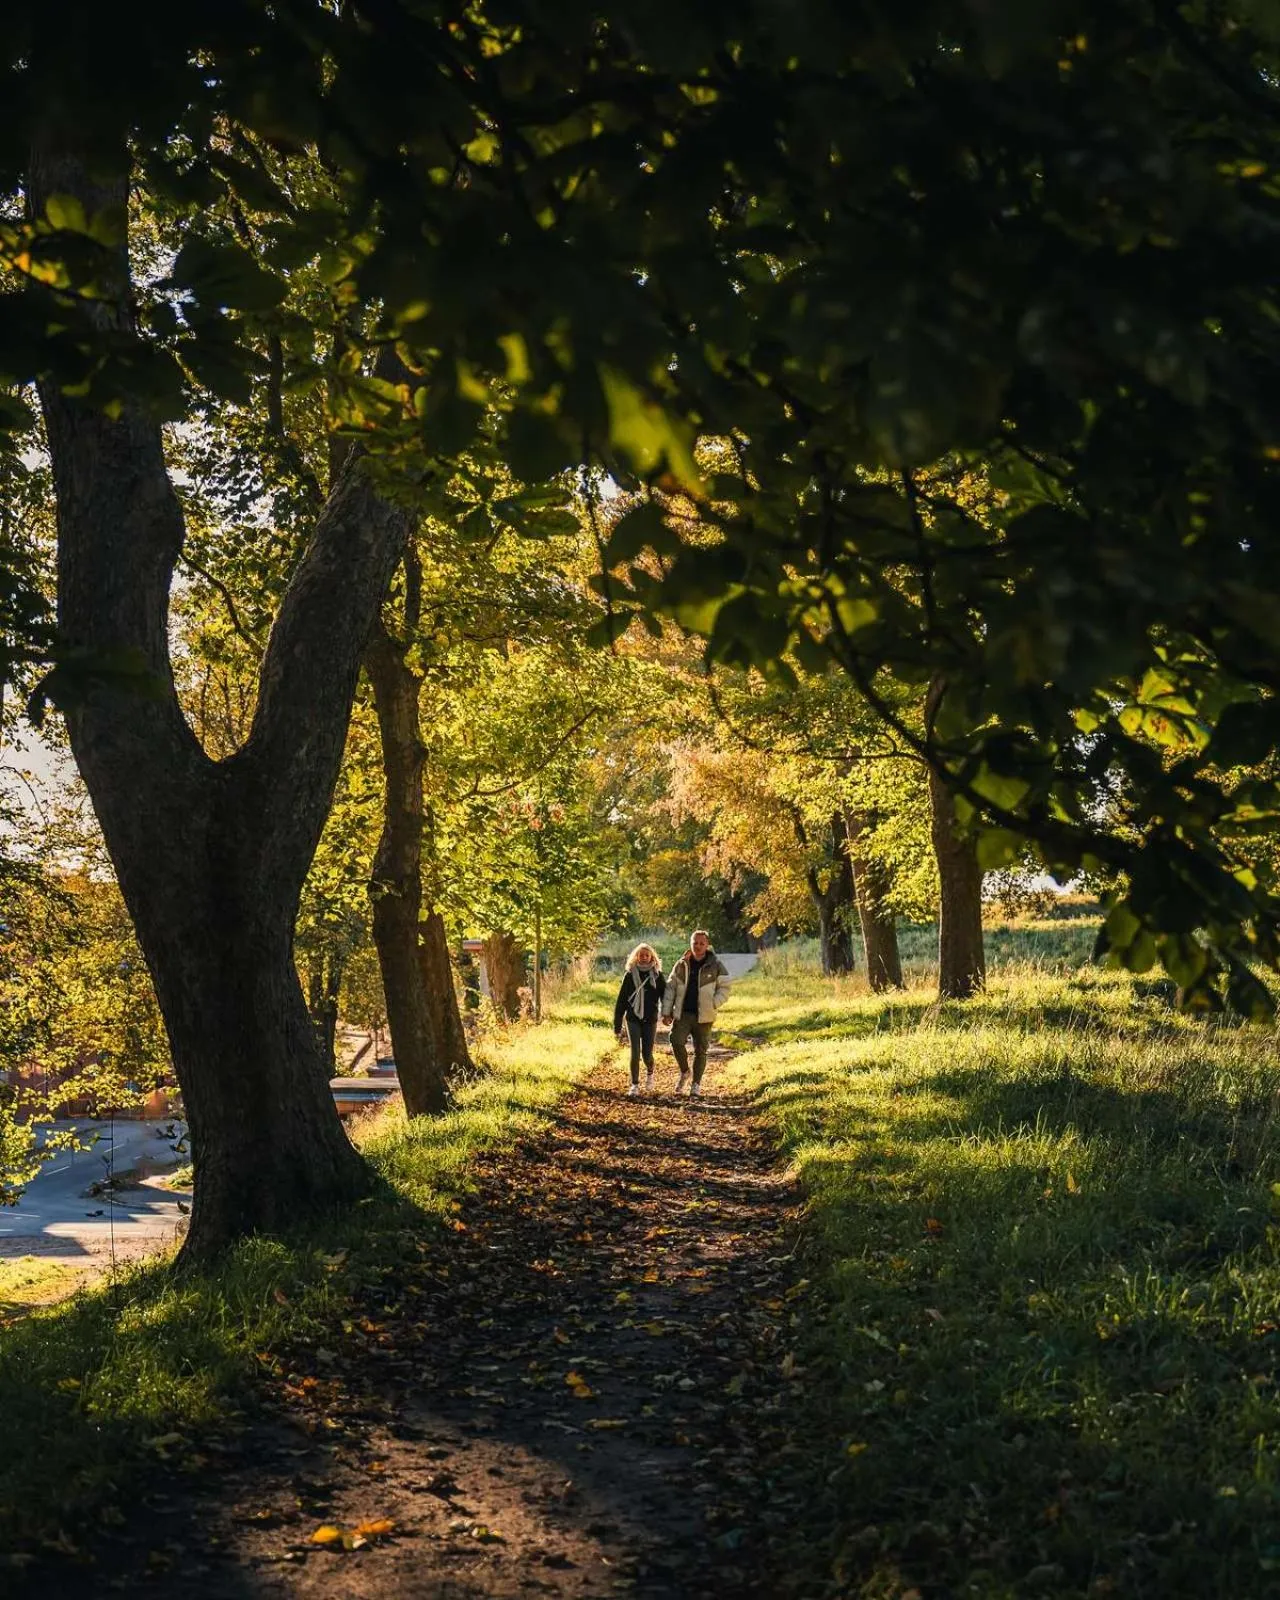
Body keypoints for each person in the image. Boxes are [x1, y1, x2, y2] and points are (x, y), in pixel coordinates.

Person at [661, 929, 731, 1097]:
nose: (698, 946)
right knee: (676, 1041)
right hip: (683, 1013)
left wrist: (714, 1003)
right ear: (690, 944)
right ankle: (685, 1071)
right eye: (695, 943)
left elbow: (725, 987)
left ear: (707, 945)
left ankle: (696, 1084)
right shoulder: (681, 964)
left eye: (702, 943)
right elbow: (670, 988)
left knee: (701, 1050)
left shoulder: (716, 965)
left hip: (705, 1016)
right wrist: (666, 1011)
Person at [613, 943, 666, 1096]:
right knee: (635, 1052)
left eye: (646, 955)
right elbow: (621, 1000)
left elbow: (665, 997)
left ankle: (650, 1071)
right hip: (632, 1019)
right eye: (641, 955)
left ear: (652, 957)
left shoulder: (657, 975)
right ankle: (634, 1085)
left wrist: (667, 1014)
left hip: (650, 1019)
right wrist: (617, 1026)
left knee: (647, 1054)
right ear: (636, 957)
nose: (643, 958)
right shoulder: (629, 975)